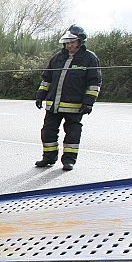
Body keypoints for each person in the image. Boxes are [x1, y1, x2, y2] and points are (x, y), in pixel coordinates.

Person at [34, 24, 101, 171]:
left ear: (80, 41)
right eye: (67, 42)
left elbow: (94, 83)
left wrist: (89, 102)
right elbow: (47, 79)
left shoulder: (89, 59)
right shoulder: (57, 58)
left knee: (73, 134)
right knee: (47, 132)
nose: (69, 45)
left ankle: (69, 161)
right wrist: (40, 95)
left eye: (72, 42)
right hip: (53, 105)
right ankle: (49, 158)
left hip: (75, 106)